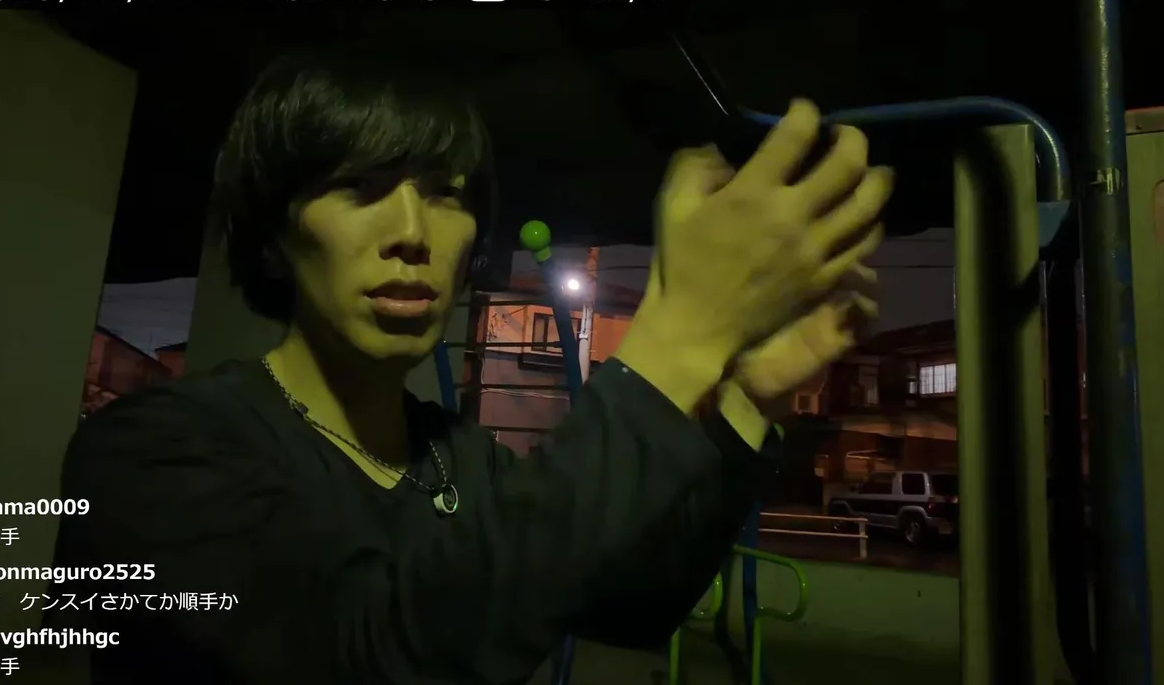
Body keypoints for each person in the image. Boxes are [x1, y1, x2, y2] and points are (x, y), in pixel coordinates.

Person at [47, 48, 890, 684]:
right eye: (360, 187)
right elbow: (368, 654)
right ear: (275, 235)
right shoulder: (149, 457)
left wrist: (746, 400)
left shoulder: (461, 459)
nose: (413, 233)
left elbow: (635, 601)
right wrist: (682, 337)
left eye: (446, 193)